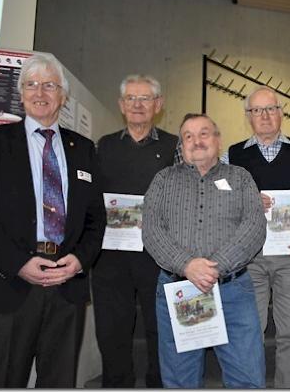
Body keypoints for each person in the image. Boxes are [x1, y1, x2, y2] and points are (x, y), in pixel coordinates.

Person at [0, 53, 106, 387]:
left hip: (66, 288)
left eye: (50, 85)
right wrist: (19, 263)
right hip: (8, 285)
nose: (40, 92)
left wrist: (80, 260)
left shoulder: (83, 148)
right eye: (31, 85)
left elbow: (96, 218)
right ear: (21, 92)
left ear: (63, 95)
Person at [142, 113, 267, 388]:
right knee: (180, 380)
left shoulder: (241, 177)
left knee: (247, 378)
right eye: (188, 136)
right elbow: (151, 230)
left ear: (218, 140)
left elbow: (255, 226)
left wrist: (215, 267)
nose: (196, 141)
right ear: (181, 145)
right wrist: (187, 265)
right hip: (178, 291)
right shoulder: (163, 180)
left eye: (204, 133)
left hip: (233, 292)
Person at [222, 86, 290, 388]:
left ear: (281, 113)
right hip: (248, 259)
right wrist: (245, 198)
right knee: (249, 332)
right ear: (248, 116)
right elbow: (217, 199)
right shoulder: (231, 155)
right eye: (257, 110)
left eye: (271, 109)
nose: (265, 116)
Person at [91, 74, 178, 387]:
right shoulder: (103, 146)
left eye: (145, 98)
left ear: (158, 104)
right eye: (131, 98)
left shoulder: (173, 146)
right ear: (121, 105)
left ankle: (159, 384)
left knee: (161, 330)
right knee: (112, 330)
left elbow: (185, 194)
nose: (138, 105)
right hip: (110, 257)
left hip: (159, 255)